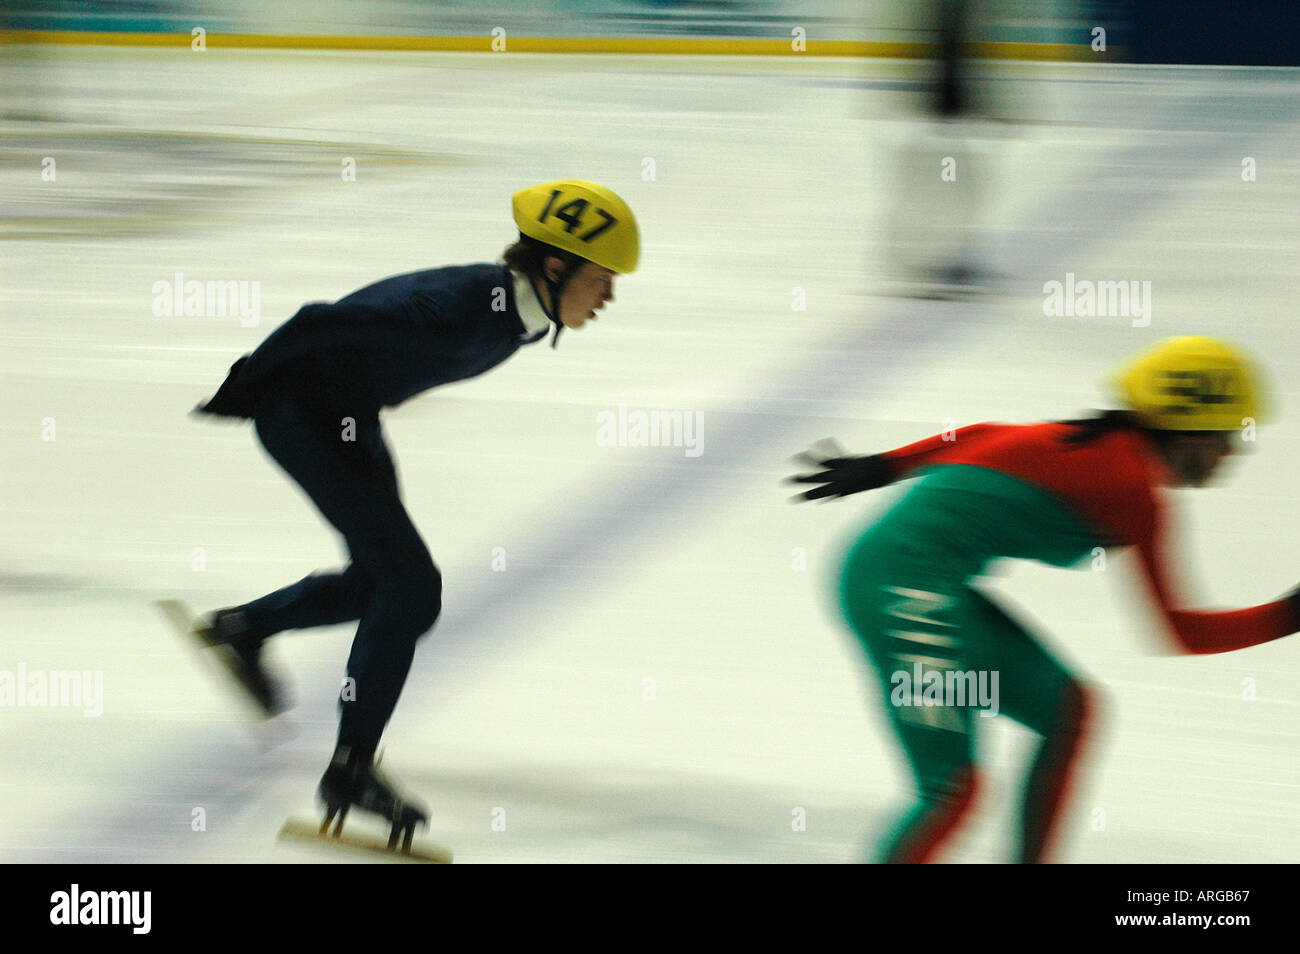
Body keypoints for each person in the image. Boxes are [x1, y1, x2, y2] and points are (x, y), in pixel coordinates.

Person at [188, 180, 639, 845]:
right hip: (300, 414)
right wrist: (249, 379)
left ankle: (243, 628)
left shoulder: (515, 314)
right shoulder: (460, 308)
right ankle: (350, 770)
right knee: (409, 584)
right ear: (554, 266)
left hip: (345, 417)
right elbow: (318, 320)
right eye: (601, 279)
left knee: (386, 585)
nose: (608, 297)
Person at [790, 336, 1298, 863]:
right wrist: (1291, 614)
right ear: (1190, 425)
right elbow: (1181, 632)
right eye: (1231, 434)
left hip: (921, 582)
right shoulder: (1129, 484)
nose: (1237, 450)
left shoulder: (1090, 443)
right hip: (903, 586)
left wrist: (881, 467)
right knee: (951, 790)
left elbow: (981, 435)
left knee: (1068, 710)